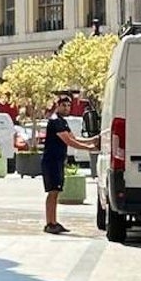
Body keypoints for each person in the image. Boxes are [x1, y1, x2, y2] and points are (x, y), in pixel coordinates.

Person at [42, 94, 98, 234]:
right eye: (64, 105)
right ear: (57, 105)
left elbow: (74, 137)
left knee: (56, 192)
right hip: (52, 161)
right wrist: (89, 148)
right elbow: (69, 141)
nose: (67, 108)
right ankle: (50, 223)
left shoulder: (62, 121)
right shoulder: (55, 121)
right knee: (53, 192)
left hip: (58, 161)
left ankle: (53, 221)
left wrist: (93, 140)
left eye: (68, 105)